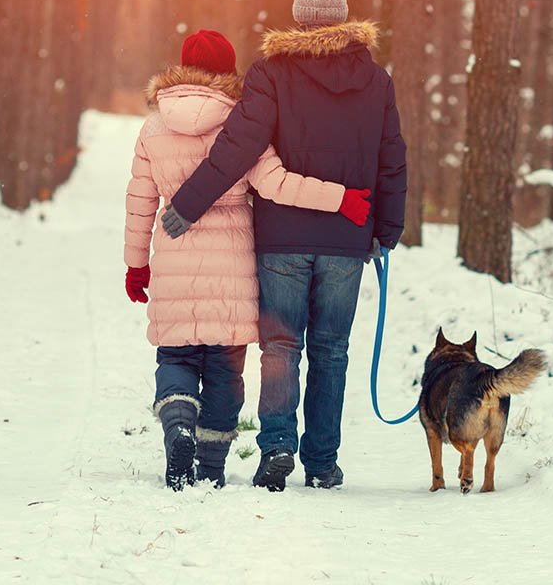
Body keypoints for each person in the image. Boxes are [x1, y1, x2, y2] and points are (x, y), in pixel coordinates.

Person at [161, 0, 407, 491]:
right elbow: (391, 161)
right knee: (331, 350)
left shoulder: (271, 73)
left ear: (298, 18)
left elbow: (239, 145)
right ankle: (321, 462)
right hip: (346, 238)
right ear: (344, 17)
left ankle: (276, 448)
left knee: (280, 347)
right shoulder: (376, 80)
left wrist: (187, 203)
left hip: (282, 238)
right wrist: (386, 228)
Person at [124, 28, 372, 490]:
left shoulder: (154, 127)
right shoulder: (242, 122)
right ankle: (212, 465)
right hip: (233, 269)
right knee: (224, 369)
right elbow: (278, 182)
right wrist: (339, 199)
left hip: (175, 261)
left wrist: (137, 264)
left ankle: (178, 423)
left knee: (175, 358)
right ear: (228, 70)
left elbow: (140, 200)